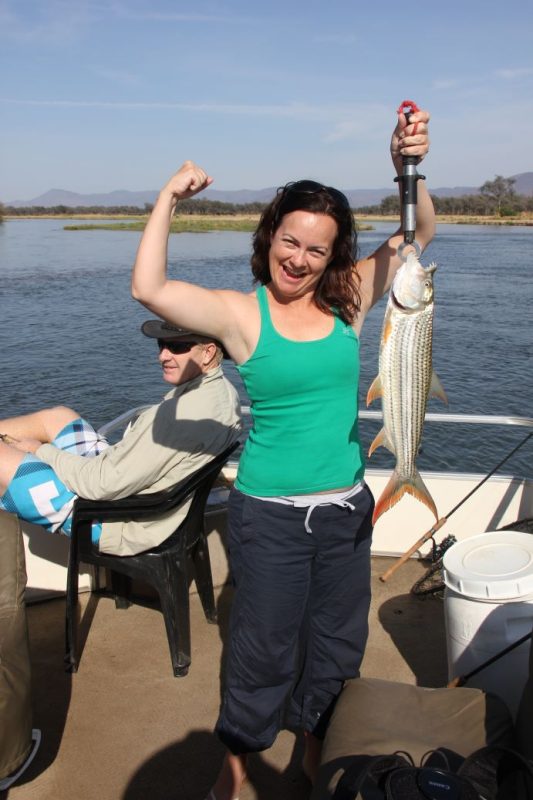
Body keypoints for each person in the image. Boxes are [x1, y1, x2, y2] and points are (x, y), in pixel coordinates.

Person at [131, 106, 434, 799]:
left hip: (345, 512)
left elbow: (417, 234)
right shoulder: (242, 315)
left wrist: (406, 169)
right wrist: (167, 198)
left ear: (334, 256)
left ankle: (314, 751)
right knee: (260, 651)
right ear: (269, 238)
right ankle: (233, 767)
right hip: (268, 517)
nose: (299, 259)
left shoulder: (350, 302)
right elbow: (148, 288)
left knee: (335, 646)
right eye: (289, 242)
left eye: (318, 250)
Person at [0, 322, 242, 556]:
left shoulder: (181, 416)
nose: (163, 356)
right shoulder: (221, 394)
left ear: (208, 352)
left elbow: (100, 484)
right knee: (57, 417)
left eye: (177, 347)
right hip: (134, 494)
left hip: (115, 521)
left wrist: (41, 450)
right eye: (161, 345)